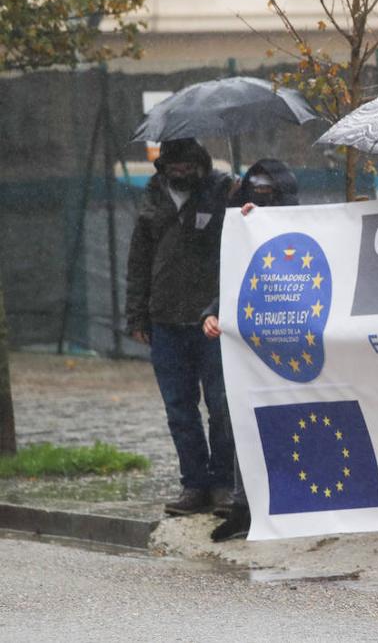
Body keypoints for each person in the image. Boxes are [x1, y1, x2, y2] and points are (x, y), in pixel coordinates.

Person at [125, 138, 235, 516]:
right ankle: (195, 485)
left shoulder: (223, 191)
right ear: (163, 167)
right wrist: (137, 315)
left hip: (212, 322)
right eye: (173, 165)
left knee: (221, 406)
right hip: (165, 321)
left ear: (201, 165)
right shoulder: (153, 198)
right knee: (179, 410)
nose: (180, 172)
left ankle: (223, 482)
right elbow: (138, 260)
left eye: (188, 165)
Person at [201, 158, 300, 541]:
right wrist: (212, 313)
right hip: (249, 341)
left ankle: (285, 501)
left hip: (292, 339)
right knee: (239, 414)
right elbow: (234, 281)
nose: (259, 195)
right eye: (254, 188)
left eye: (267, 190)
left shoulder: (306, 225)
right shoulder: (244, 226)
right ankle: (243, 506)